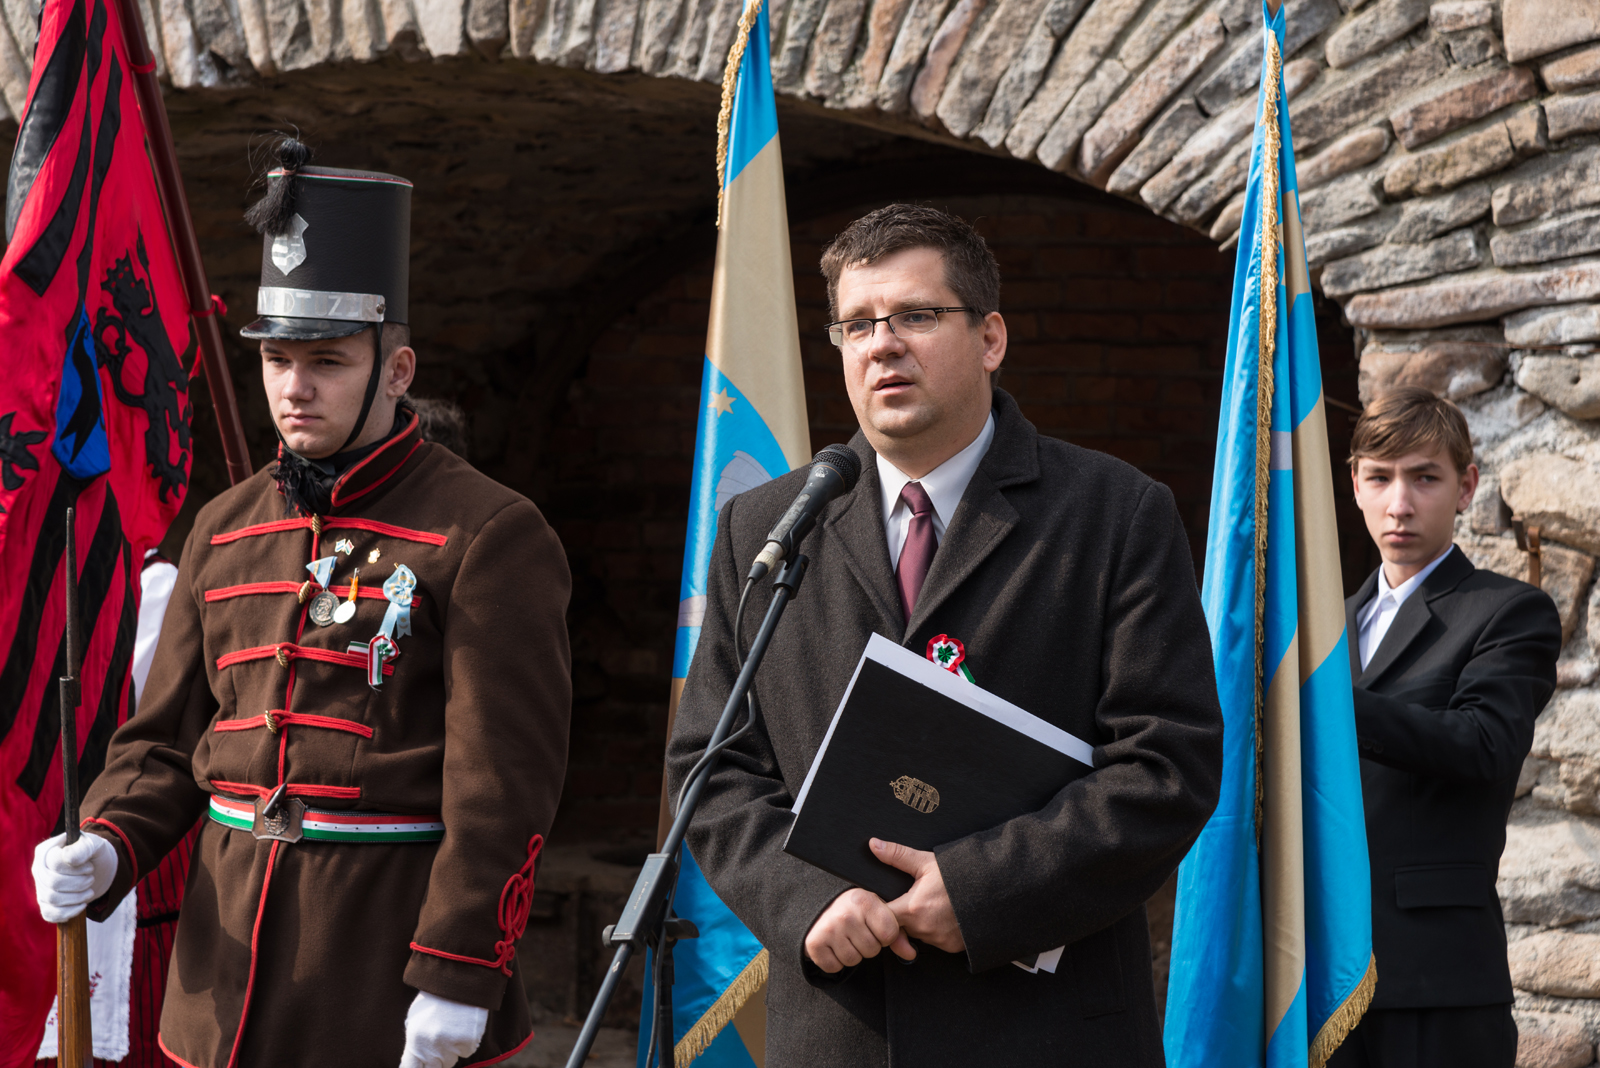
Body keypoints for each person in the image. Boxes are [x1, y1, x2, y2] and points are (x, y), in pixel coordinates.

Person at [30, 140, 572, 1068]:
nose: (294, 388)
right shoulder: (225, 527)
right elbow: (164, 742)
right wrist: (111, 842)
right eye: (278, 359)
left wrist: (455, 972)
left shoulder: (488, 532)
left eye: (325, 359)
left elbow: (501, 790)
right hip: (222, 968)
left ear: (396, 370)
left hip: (382, 969)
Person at [666, 204, 1224, 1066]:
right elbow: (711, 764)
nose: (881, 344)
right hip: (843, 1027)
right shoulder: (769, 525)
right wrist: (805, 898)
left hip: (1046, 1028)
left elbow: (1165, 766)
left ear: (991, 337)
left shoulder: (1115, 514)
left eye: (915, 316)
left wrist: (980, 889)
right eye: (857, 324)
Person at [1331, 388, 1560, 1068]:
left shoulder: (1507, 612)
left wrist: (1326, 703)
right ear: (1355, 486)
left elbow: (1483, 745)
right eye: (1380, 477)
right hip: (1316, 972)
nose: (1399, 503)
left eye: (1424, 478)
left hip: (1436, 982)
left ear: (1465, 487)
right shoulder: (1322, 630)